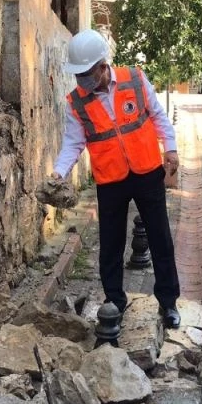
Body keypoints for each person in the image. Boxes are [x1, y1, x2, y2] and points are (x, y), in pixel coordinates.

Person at [52, 29, 181, 328]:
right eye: (77, 74)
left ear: (102, 66)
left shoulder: (134, 79)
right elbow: (73, 142)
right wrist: (58, 172)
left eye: (85, 73)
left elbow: (158, 115)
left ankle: (168, 302)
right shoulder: (76, 102)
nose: (80, 80)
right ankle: (114, 302)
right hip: (110, 180)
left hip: (147, 171)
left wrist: (171, 148)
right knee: (110, 244)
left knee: (160, 238)